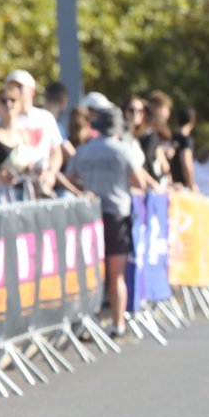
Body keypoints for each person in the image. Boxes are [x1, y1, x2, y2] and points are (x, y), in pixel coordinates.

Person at [65, 106, 148, 336]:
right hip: (116, 215)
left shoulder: (83, 151)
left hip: (89, 216)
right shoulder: (124, 150)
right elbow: (140, 182)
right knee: (116, 275)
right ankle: (117, 324)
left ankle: (88, 321)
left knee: (89, 273)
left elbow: (68, 178)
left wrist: (84, 188)